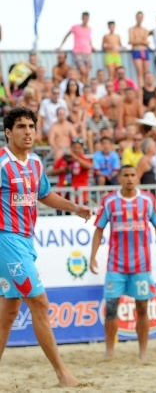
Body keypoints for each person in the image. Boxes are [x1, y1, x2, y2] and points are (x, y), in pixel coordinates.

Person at [0, 107, 93, 387]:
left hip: (26, 240)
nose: (28, 131)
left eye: (31, 126)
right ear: (8, 132)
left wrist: (74, 207)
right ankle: (62, 373)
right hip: (7, 239)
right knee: (40, 303)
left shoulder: (36, 163)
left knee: (8, 313)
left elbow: (45, 194)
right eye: (21, 127)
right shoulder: (2, 163)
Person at [89, 165, 156, 361]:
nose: (130, 178)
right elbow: (99, 229)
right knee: (111, 308)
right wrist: (93, 256)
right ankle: (109, 351)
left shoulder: (148, 200)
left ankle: (143, 352)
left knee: (142, 308)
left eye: (133, 175)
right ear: (119, 178)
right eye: (126, 175)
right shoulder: (109, 202)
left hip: (141, 266)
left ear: (137, 178)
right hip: (115, 266)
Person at [58, 12, 94, 83]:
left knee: (87, 72)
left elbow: (88, 38)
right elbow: (67, 35)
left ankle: (86, 87)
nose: (85, 19)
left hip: (87, 52)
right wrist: (60, 46)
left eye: (87, 18)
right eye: (84, 18)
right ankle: (83, 87)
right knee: (82, 71)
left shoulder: (89, 29)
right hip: (78, 52)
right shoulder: (75, 27)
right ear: (82, 18)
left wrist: (92, 46)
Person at [129, 11, 150, 88]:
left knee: (145, 72)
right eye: (138, 17)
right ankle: (141, 88)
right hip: (136, 51)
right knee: (139, 72)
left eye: (141, 17)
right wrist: (142, 41)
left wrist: (137, 40)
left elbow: (146, 42)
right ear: (136, 18)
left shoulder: (145, 30)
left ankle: (146, 87)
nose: (140, 19)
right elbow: (131, 41)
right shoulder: (131, 29)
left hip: (145, 51)